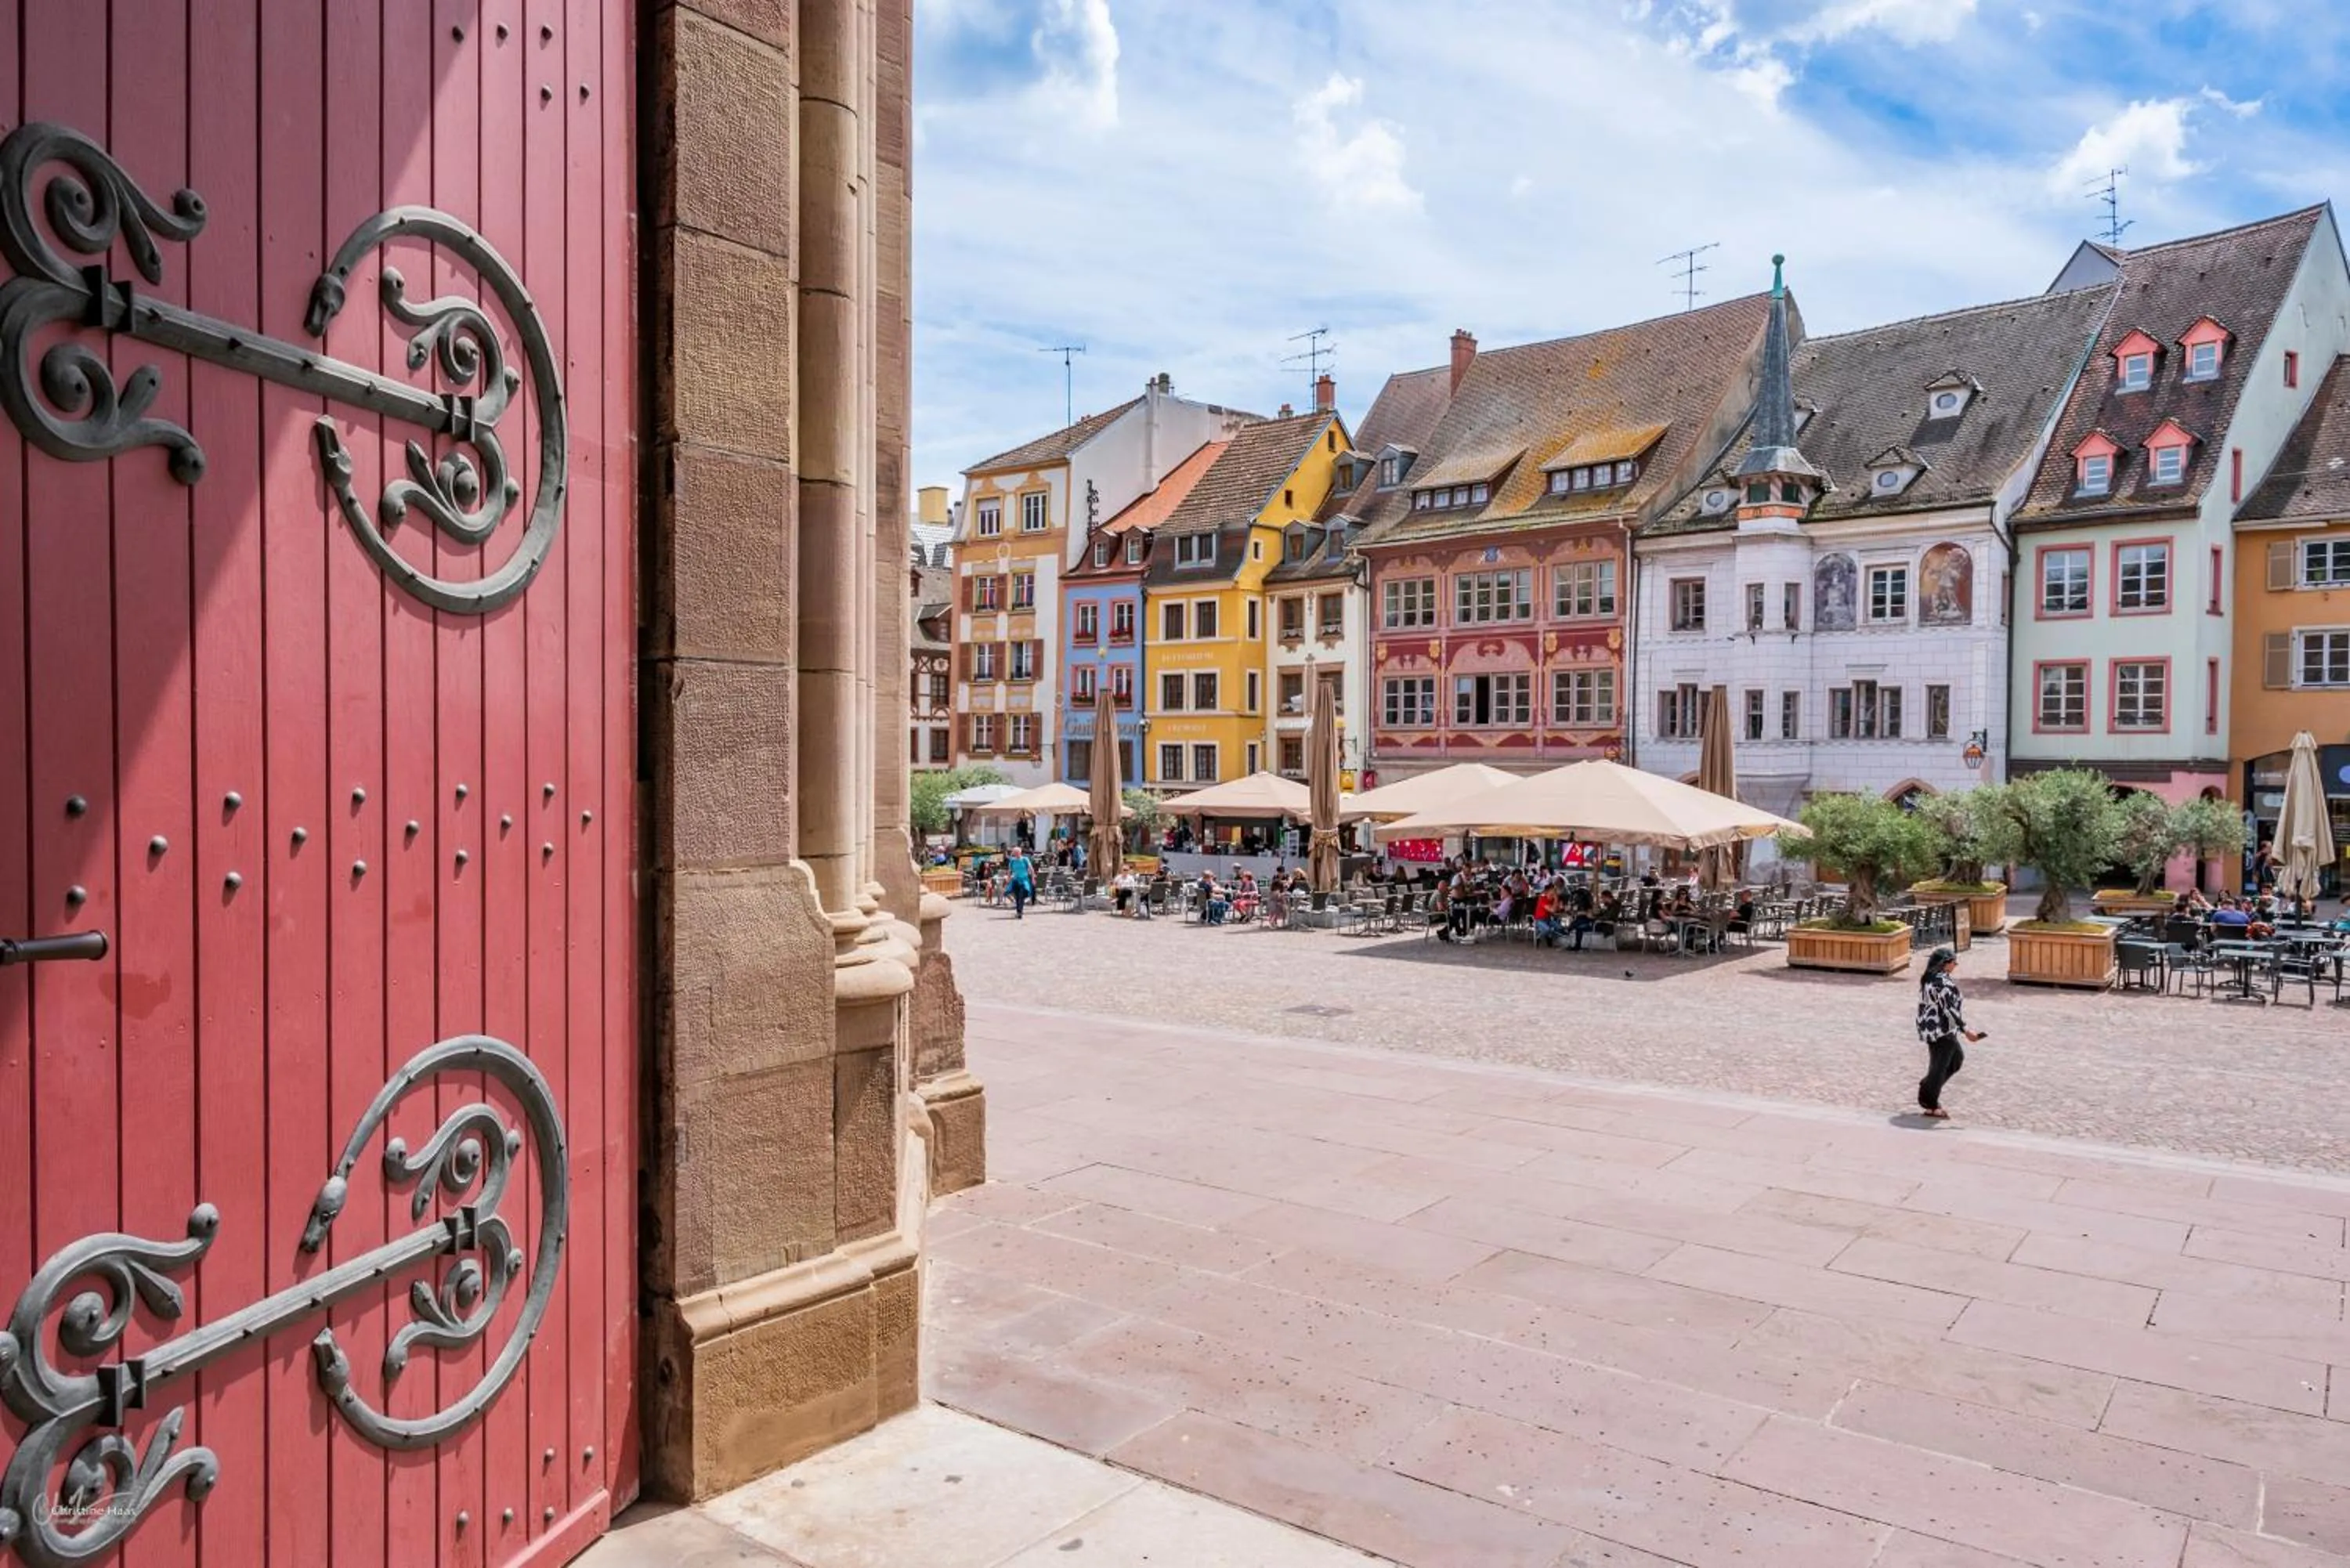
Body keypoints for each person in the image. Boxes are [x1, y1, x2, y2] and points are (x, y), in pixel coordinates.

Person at [1914, 946, 1983, 1120]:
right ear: (1945, 963)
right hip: (1941, 1030)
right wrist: (1967, 1031)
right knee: (1940, 1066)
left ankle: (1928, 1088)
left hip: (1933, 1028)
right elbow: (1949, 1010)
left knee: (1956, 1060)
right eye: (1954, 962)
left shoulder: (1931, 978)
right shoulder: (1941, 982)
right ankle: (1930, 1102)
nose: (1955, 965)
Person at [1007, 847, 1036, 920]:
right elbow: (1009, 871)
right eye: (1014, 853)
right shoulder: (1012, 861)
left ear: (1020, 852)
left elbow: (1031, 869)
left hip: (1024, 880)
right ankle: (1019, 912)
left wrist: (1033, 879)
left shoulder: (1025, 859)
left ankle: (1020, 911)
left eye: (1017, 852)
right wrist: (1008, 879)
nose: (1016, 854)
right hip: (1016, 880)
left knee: (1022, 895)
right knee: (1017, 896)